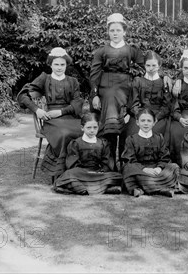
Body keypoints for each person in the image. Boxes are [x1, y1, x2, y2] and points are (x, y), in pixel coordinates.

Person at [17, 47, 83, 178]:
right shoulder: (44, 78)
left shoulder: (72, 81)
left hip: (69, 116)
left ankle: (79, 169)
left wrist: (61, 111)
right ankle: (61, 172)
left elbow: (77, 103)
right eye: (56, 64)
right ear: (51, 65)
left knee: (82, 132)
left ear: (67, 65)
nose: (59, 67)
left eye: (62, 64)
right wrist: (37, 110)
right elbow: (23, 96)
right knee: (64, 134)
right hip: (51, 119)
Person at [89, 13, 145, 164]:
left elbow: (148, 65)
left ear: (124, 32)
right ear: (108, 32)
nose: (115, 33)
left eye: (118, 30)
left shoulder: (131, 50)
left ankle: (126, 163)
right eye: (112, 30)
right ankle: (109, 163)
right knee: (110, 103)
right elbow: (94, 74)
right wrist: (94, 94)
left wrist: (162, 76)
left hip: (125, 86)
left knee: (127, 123)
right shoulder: (101, 51)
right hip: (105, 87)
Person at [53, 113, 123, 195]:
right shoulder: (76, 143)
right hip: (80, 173)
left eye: (95, 127)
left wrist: (100, 171)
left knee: (117, 176)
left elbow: (107, 163)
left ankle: (81, 188)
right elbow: (72, 164)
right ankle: (102, 188)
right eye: (89, 127)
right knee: (70, 175)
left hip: (98, 173)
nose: (92, 130)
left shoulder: (103, 143)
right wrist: (84, 172)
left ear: (98, 127)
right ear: (82, 128)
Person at [121, 108, 179, 198]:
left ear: (154, 122)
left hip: (156, 171)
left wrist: (159, 168)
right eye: (143, 120)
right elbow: (130, 160)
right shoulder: (131, 139)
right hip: (139, 170)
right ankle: (161, 188)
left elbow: (165, 158)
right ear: (137, 122)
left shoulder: (159, 138)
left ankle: (143, 188)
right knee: (127, 169)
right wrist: (144, 169)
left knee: (174, 167)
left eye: (149, 121)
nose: (146, 123)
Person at [125, 51, 172, 144]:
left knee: (159, 133)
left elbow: (166, 105)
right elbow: (133, 103)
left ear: (159, 65)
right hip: (140, 115)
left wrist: (156, 118)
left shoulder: (164, 82)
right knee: (132, 132)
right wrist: (141, 117)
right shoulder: (138, 81)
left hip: (159, 117)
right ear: (144, 66)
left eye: (154, 65)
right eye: (148, 65)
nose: (151, 68)